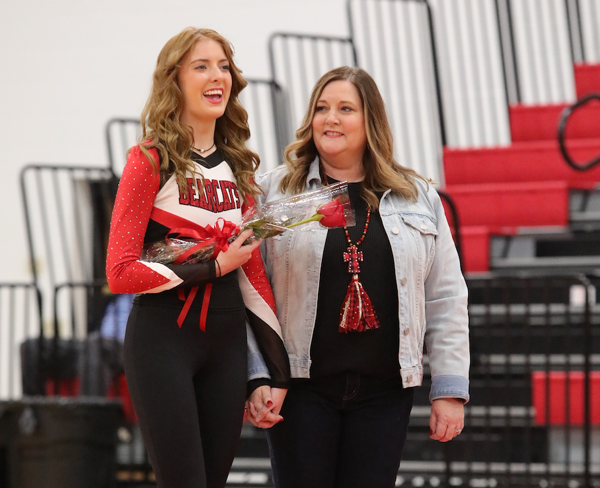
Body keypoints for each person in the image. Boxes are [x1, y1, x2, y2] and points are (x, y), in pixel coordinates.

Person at [247, 66, 469, 488]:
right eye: (322, 108)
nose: (330, 118)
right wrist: (258, 375)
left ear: (371, 121)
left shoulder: (417, 195)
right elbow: (249, 291)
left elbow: (445, 295)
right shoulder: (273, 192)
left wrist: (450, 387)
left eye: (345, 108)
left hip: (386, 393)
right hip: (300, 389)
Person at [106, 27, 289, 488]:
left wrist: (270, 372)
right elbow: (121, 272)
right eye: (201, 65)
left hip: (226, 345)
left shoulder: (240, 167)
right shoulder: (149, 158)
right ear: (175, 79)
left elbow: (253, 275)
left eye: (224, 65)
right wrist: (211, 267)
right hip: (163, 340)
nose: (217, 76)